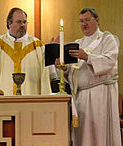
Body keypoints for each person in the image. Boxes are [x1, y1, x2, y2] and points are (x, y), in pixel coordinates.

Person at [54, 8, 121, 146]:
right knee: (83, 137)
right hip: (81, 96)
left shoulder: (107, 39)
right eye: (81, 21)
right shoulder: (78, 43)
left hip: (100, 94)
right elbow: (73, 72)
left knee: (99, 133)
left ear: (97, 20)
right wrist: (64, 68)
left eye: (87, 20)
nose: (84, 24)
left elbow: (109, 61)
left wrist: (87, 57)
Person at [0, 7, 51, 95]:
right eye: (19, 22)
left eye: (24, 22)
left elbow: (50, 74)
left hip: (30, 100)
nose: (23, 25)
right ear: (9, 23)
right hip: (3, 101)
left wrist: (53, 53)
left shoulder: (38, 46)